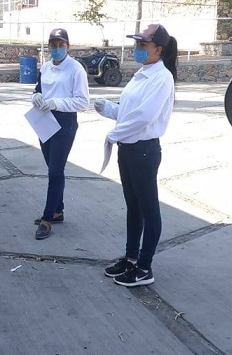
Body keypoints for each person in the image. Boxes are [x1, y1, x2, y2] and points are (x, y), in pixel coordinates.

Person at [96, 23, 177, 287]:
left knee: (149, 209)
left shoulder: (162, 78)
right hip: (129, 148)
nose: (137, 49)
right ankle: (131, 258)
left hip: (143, 150)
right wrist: (109, 109)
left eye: (143, 45)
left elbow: (145, 116)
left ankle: (145, 267)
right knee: (134, 207)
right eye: (137, 44)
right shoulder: (142, 73)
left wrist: (115, 133)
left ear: (159, 49)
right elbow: (130, 111)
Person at [31, 28, 90, 240]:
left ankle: (47, 218)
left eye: (60, 45)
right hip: (44, 120)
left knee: (55, 171)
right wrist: (37, 97)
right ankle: (58, 210)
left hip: (64, 123)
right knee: (53, 168)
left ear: (68, 46)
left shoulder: (76, 70)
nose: (56, 49)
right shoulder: (45, 67)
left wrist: (56, 103)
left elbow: (82, 101)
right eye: (53, 45)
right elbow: (39, 88)